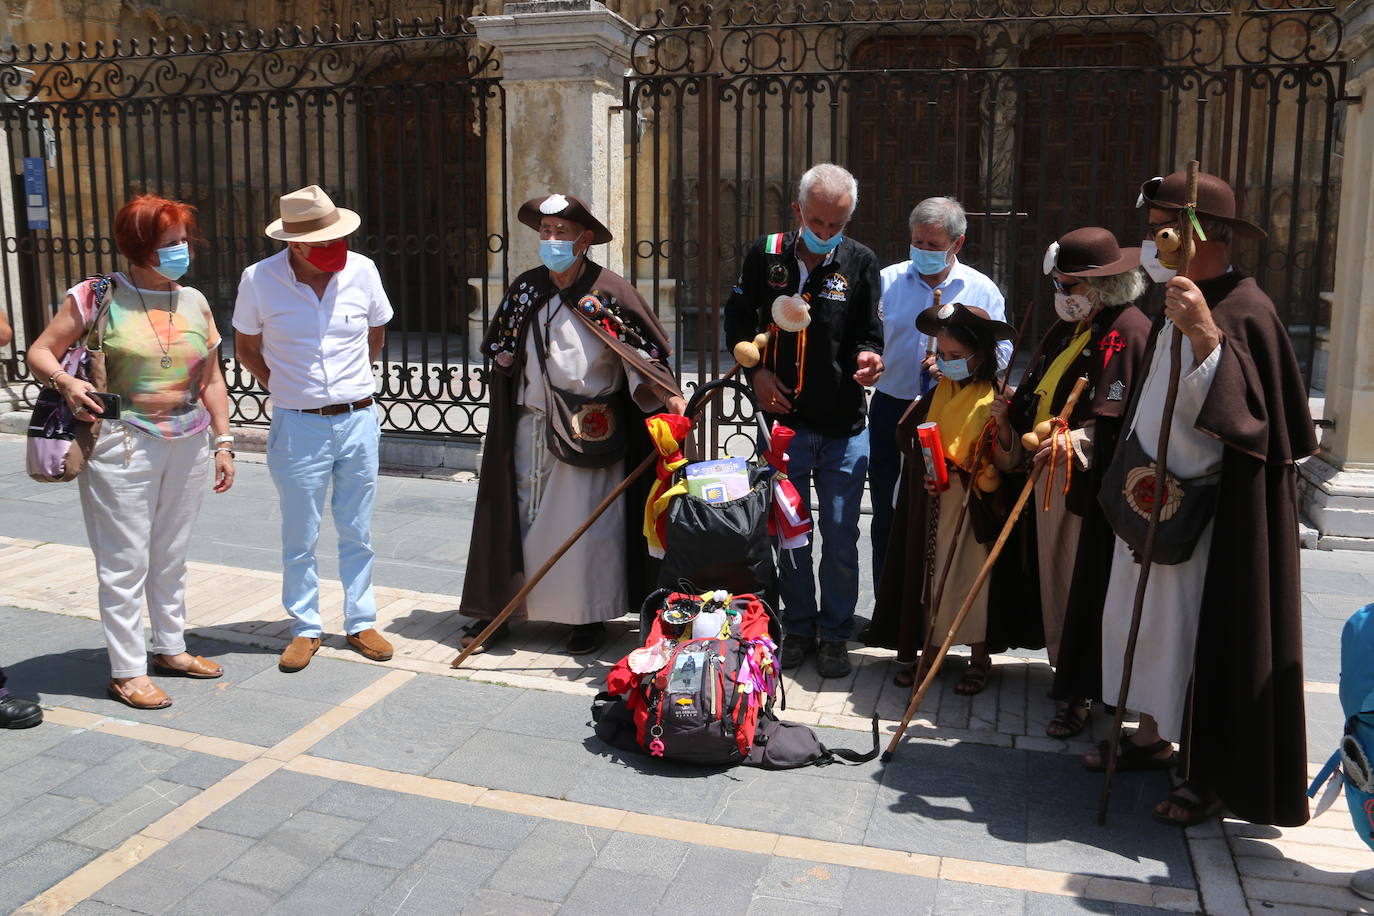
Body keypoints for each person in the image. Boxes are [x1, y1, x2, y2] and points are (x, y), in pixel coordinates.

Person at [1082, 171, 1316, 829]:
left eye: (1160, 225)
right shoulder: (1174, 300)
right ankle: (1151, 734)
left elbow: (1256, 421)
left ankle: (1206, 770)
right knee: (1146, 625)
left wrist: (1208, 337)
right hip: (1149, 499)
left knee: (1192, 636)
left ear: (1193, 232)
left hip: (1209, 516)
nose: (1149, 241)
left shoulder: (1244, 308)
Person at [27, 195, 234, 709]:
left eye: (185, 240)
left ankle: (171, 648)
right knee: (124, 562)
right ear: (140, 247)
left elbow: (211, 380)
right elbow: (40, 350)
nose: (182, 250)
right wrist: (67, 385)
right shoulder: (98, 296)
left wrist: (224, 440)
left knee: (172, 554)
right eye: (170, 243)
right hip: (121, 442)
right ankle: (126, 670)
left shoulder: (194, 302)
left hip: (187, 440)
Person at [460, 193, 685, 656]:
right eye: (545, 232)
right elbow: (502, 353)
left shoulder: (609, 292)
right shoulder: (526, 289)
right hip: (531, 425)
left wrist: (667, 397)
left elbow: (644, 357)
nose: (552, 240)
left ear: (585, 239)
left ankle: (587, 617)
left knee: (587, 524)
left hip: (591, 425)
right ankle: (504, 609)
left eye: (562, 233)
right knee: (519, 514)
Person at [723, 163, 883, 678]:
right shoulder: (766, 254)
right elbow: (737, 320)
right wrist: (757, 379)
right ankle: (796, 626)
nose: (826, 231)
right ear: (798, 211)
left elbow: (868, 331)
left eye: (837, 224)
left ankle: (835, 634)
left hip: (842, 426)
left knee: (839, 535)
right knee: (790, 533)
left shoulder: (861, 262)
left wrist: (869, 359)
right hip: (784, 424)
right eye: (817, 220)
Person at [994, 227, 1151, 738]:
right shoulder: (1075, 325)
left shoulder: (1125, 330)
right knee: (1055, 583)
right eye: (1059, 284)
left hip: (1082, 486)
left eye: (1067, 286)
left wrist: (1075, 440)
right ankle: (1071, 675)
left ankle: (1081, 691)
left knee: (1077, 585)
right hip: (1045, 474)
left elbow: (1115, 417)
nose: (1059, 295)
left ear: (1099, 287)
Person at [233, 185, 394, 673]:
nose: (337, 249)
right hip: (298, 425)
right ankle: (304, 626)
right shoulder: (259, 280)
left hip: (359, 419)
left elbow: (376, 332)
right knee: (300, 532)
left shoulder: (362, 271)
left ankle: (360, 620)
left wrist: (350, 383)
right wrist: (283, 386)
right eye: (324, 242)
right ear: (295, 245)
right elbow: (245, 346)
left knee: (357, 528)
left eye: (339, 237)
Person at [868, 303, 1016, 693]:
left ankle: (979, 658)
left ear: (980, 356)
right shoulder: (938, 392)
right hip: (932, 500)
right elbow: (912, 436)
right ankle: (931, 653)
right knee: (931, 577)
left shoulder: (996, 396)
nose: (944, 363)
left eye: (955, 357)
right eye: (941, 355)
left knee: (969, 578)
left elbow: (1010, 458)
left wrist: (1003, 423)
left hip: (973, 508)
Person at [871, 198, 1010, 595]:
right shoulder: (888, 280)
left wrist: (958, 365)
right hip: (893, 407)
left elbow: (999, 354)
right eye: (918, 243)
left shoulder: (981, 289)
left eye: (934, 246)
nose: (923, 253)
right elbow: (867, 338)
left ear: (957, 243)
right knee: (888, 505)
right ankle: (888, 598)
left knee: (943, 506)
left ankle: (935, 598)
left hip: (955, 410)